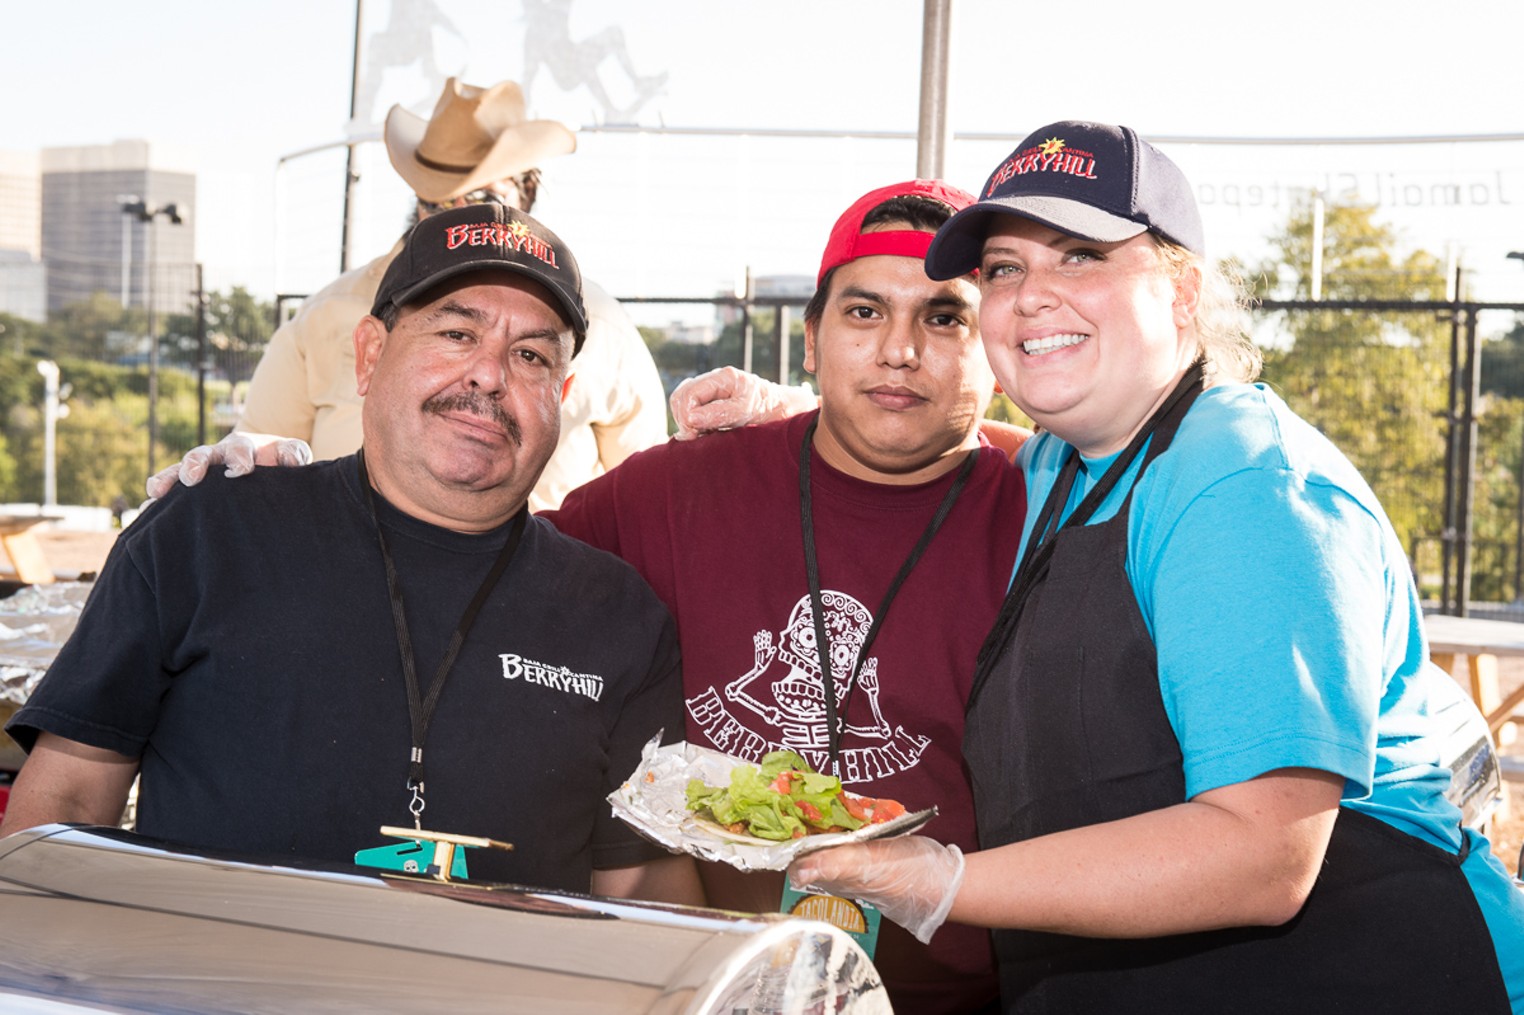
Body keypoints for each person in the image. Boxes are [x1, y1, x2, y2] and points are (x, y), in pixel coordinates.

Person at [148, 180, 1028, 1013]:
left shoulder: (1049, 512)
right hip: (709, 985)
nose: (898, 349)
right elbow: (471, 537)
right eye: (863, 311)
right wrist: (304, 492)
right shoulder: (674, 493)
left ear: (989, 336)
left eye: (943, 315)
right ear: (811, 337)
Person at [787, 121, 1524, 1012]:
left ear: (1182, 291)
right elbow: (954, 441)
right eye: (1005, 269)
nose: (1029, 298)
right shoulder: (1065, 465)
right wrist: (790, 407)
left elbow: (1264, 854)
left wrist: (940, 881)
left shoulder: (1245, 482)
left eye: (1080, 257)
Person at [2, 203, 701, 907]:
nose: (489, 375)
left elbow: (644, 885)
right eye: (456, 332)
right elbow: (67, 801)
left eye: (531, 355)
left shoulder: (618, 617)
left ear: (563, 396)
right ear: (370, 355)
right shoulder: (209, 530)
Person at [236, 76, 666, 511]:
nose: (459, 217)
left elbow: (644, 493)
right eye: (438, 202)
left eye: (530, 355)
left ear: (527, 192)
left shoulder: (603, 324)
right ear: (370, 347)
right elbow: (257, 458)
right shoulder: (327, 314)